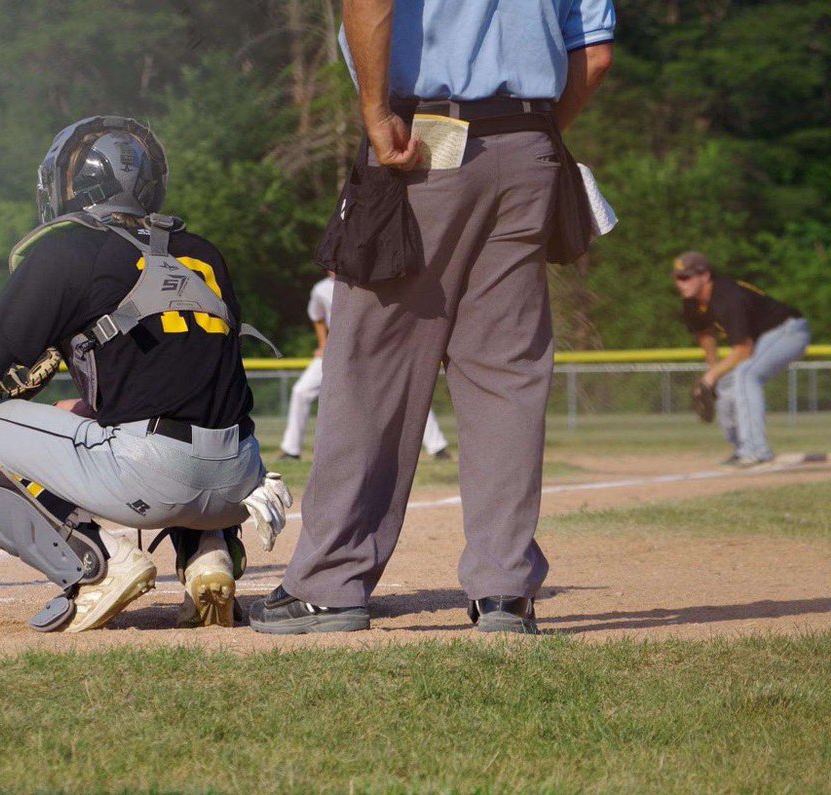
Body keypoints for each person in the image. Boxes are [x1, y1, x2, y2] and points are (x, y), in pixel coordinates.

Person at [251, 0, 615, 636]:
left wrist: (374, 110)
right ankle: (504, 591)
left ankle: (331, 586)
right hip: (530, 147)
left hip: (423, 142)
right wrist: (529, 137)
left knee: (372, 367)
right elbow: (595, 53)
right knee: (506, 374)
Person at [0, 116, 291, 633]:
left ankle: (96, 565)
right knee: (164, 428)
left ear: (74, 184)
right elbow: (188, 378)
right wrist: (88, 408)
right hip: (239, 478)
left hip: (152, 473)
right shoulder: (203, 253)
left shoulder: (67, 250)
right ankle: (209, 550)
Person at [279, 273, 451, 461]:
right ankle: (291, 450)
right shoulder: (321, 289)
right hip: (337, 350)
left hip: (374, 349)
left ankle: (437, 447)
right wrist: (323, 344)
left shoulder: (368, 282)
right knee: (301, 391)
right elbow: (317, 316)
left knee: (405, 391)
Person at [673, 251, 810, 467]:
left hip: (788, 331)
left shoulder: (726, 296)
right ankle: (741, 449)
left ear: (705, 275)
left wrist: (708, 377)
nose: (681, 283)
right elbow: (705, 335)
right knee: (726, 387)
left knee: (746, 375)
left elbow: (744, 350)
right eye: (678, 277)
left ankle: (757, 451)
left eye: (686, 277)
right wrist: (714, 375)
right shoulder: (691, 302)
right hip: (760, 341)